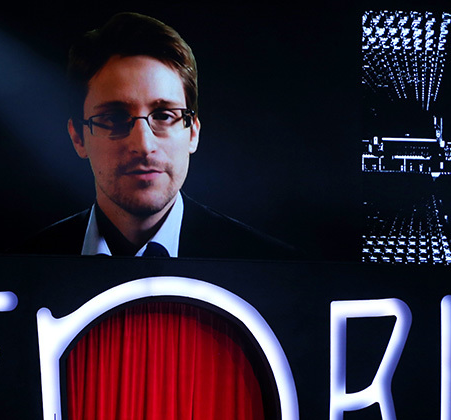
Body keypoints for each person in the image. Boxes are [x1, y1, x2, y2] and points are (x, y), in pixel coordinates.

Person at [22, 12, 296, 259]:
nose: (143, 144)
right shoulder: (21, 265)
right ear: (78, 137)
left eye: (164, 115)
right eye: (115, 118)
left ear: (193, 133)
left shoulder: (275, 267)